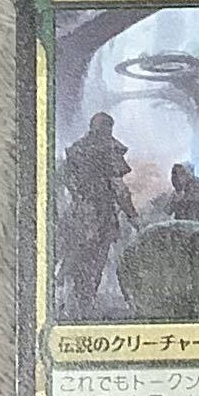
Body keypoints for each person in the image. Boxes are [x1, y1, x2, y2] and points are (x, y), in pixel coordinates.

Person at [57, 110, 136, 304]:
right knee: (94, 260)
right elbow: (119, 188)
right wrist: (132, 215)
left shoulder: (77, 149)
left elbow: (62, 178)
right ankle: (83, 298)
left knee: (77, 254)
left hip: (79, 212)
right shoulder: (108, 149)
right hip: (100, 214)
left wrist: (77, 195)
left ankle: (74, 295)